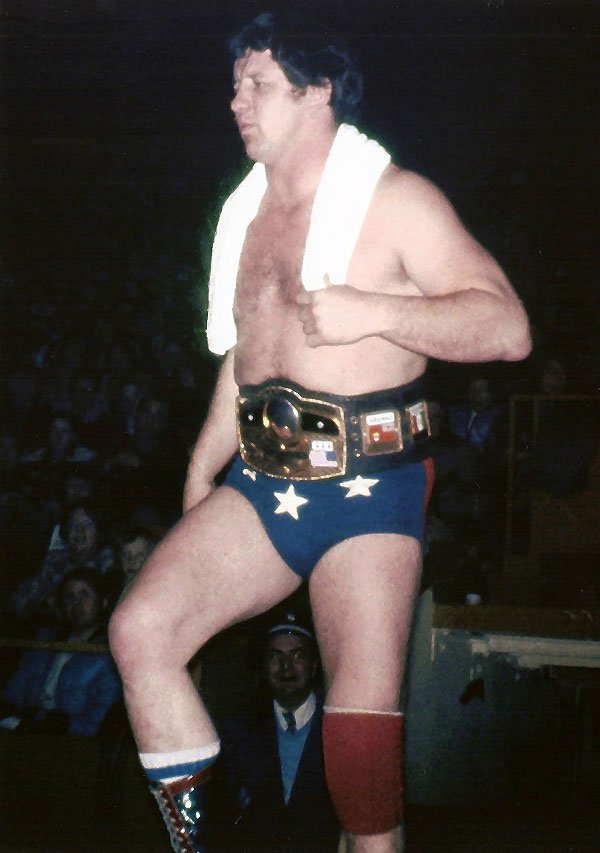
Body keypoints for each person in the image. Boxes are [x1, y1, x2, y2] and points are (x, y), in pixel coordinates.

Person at [108, 12, 531, 853]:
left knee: (358, 747)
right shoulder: (244, 216)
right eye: (234, 84)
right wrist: (200, 471)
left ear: (319, 93)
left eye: (257, 83)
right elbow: (244, 359)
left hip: (370, 490)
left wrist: (374, 311)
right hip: (264, 480)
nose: (236, 100)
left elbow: (508, 328)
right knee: (140, 631)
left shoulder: (397, 201)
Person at [218, 610, 339, 852]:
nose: (286, 667)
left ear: (314, 666)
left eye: (297, 656)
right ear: (264, 667)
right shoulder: (239, 729)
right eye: (276, 656)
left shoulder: (338, 727)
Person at [1, 568, 121, 737]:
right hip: (27, 729)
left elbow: (101, 714)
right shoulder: (44, 642)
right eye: (69, 596)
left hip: (70, 742)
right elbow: (17, 687)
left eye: (84, 594)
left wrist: (59, 726)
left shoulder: (110, 652)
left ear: (103, 602)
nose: (76, 602)